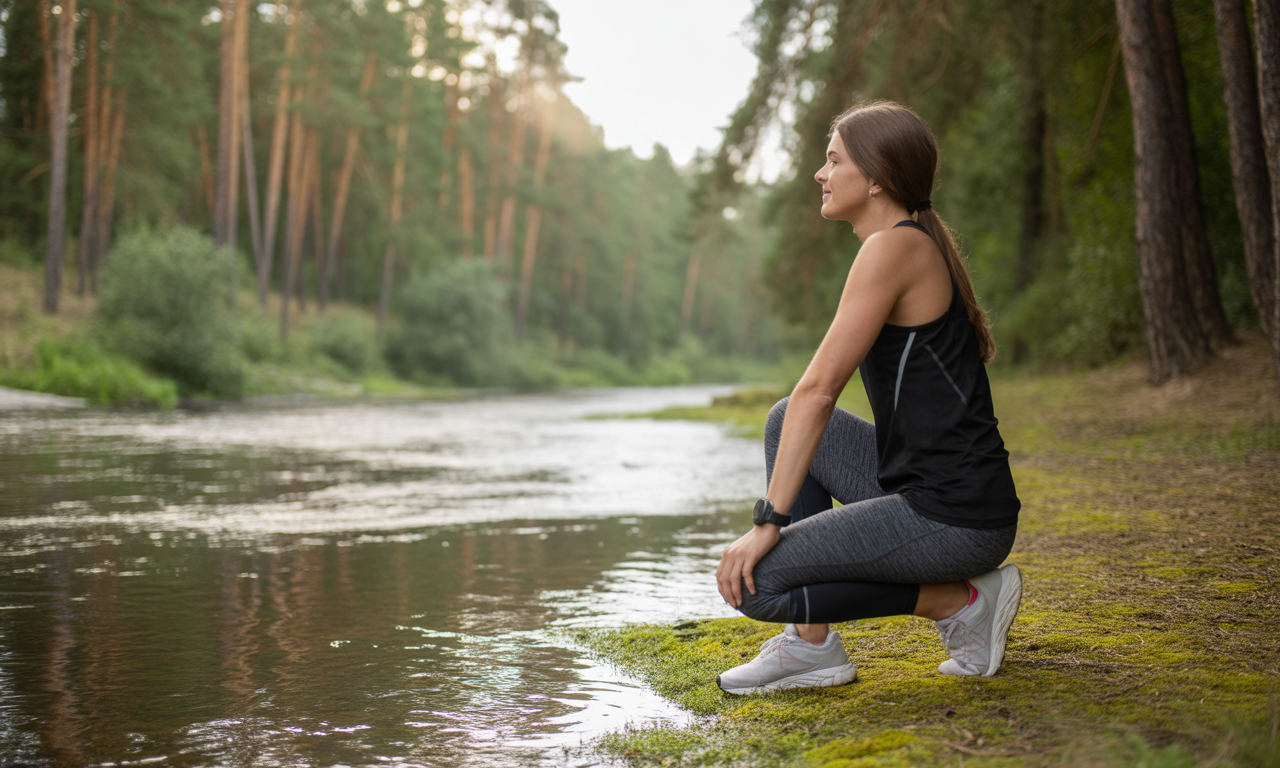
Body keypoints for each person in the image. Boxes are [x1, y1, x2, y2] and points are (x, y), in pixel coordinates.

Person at [713, 101, 1022, 695]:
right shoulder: (903, 245)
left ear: (877, 177)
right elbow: (805, 405)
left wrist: (768, 523)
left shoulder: (893, 248)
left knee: (759, 582)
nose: (819, 174)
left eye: (833, 160)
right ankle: (812, 649)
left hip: (957, 518)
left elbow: (821, 389)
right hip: (941, 497)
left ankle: (960, 603)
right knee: (784, 421)